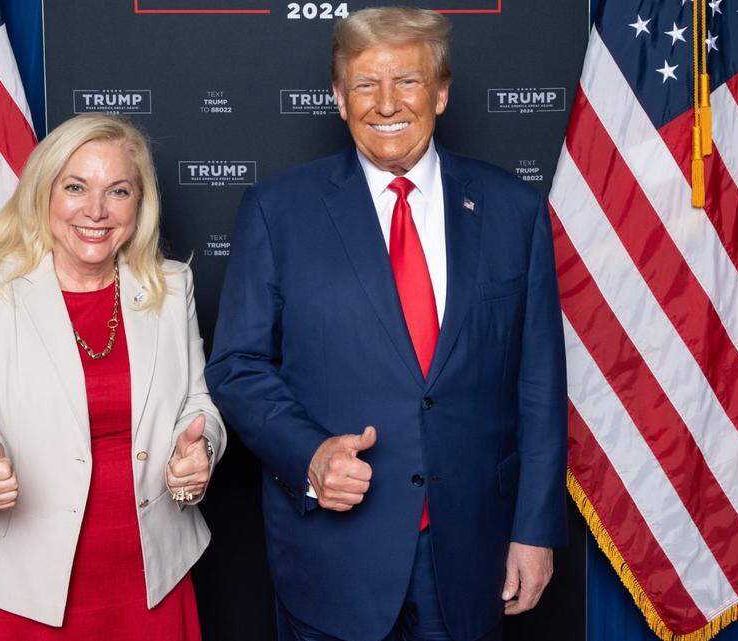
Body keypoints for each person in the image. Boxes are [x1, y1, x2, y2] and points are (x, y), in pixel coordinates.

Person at [206, 7, 566, 641]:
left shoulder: (515, 210)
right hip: (332, 557)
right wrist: (309, 453)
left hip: (470, 553)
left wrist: (534, 531)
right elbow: (238, 366)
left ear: (441, 93)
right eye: (366, 85)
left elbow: (539, 385)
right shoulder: (277, 210)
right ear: (339, 98)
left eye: (408, 81)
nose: (387, 103)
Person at [0, 113, 225, 641]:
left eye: (118, 191)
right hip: (17, 584)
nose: (96, 211)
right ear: (43, 192)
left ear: (139, 203)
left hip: (150, 575)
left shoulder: (171, 286)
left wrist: (200, 450)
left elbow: (198, 407)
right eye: (76, 187)